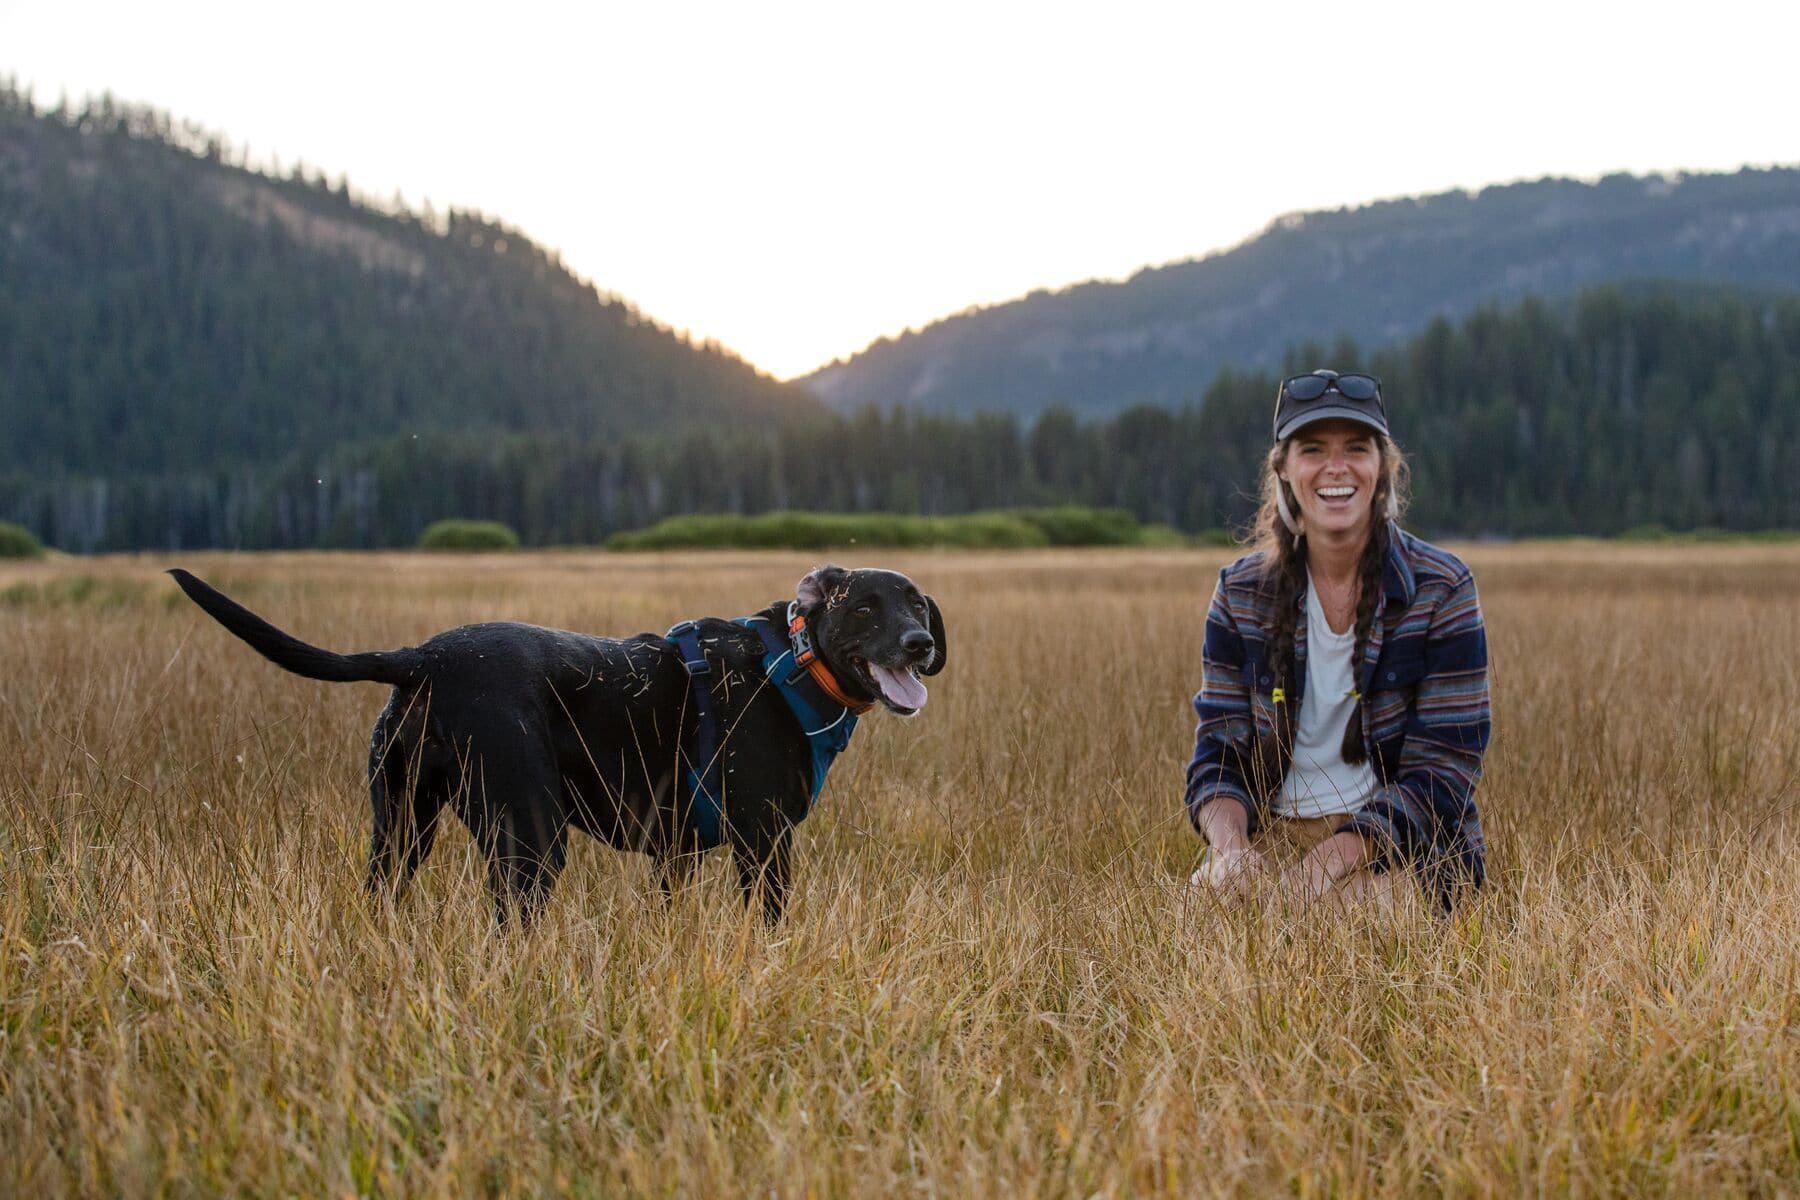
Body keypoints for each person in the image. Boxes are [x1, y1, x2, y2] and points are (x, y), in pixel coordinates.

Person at [1184, 369, 1490, 914]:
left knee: (1326, 925)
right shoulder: (1240, 593)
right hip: (1272, 839)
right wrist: (1232, 853)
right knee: (1195, 918)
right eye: (1313, 449)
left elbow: (1443, 773)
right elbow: (1217, 757)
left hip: (1402, 850)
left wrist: (1326, 863)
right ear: (1283, 469)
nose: (1336, 467)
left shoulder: (1442, 589)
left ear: (1383, 467)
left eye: (1356, 448)